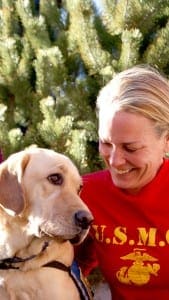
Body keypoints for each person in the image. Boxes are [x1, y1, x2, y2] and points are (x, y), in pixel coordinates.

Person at [75, 65, 169, 300]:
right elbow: (70, 266)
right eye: (106, 143)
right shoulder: (86, 194)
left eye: (131, 148)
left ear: (166, 141)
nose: (115, 161)